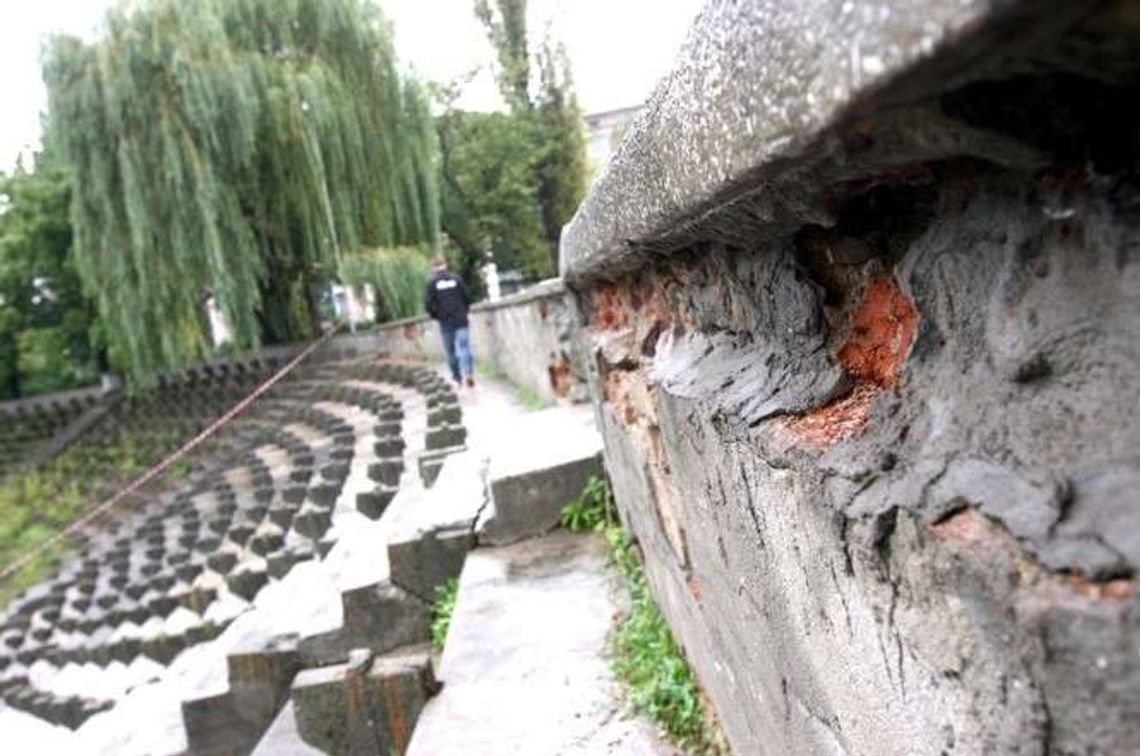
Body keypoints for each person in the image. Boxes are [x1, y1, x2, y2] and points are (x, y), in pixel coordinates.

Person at [424, 255, 475, 387]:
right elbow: (467, 297)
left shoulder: (432, 283)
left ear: (433, 267)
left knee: (451, 350)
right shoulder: (457, 279)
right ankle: (468, 373)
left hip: (445, 321)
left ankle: (457, 377)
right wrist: (464, 311)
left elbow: (428, 304)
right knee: (464, 347)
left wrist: (436, 316)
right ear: (445, 265)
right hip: (461, 319)